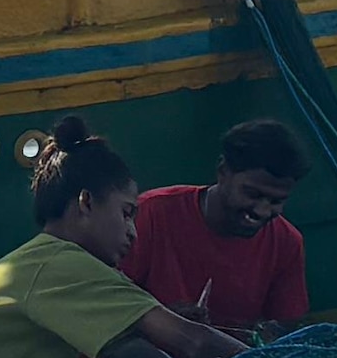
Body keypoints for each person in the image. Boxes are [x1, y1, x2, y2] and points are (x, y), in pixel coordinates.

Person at [0, 118, 244, 358]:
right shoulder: (61, 264)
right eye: (126, 213)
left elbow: (130, 351)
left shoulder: (40, 259)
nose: (133, 232)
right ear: (86, 202)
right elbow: (194, 340)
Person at [126, 120, 310, 338]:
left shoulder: (286, 242)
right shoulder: (151, 214)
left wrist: (257, 336)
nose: (262, 211)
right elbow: (104, 306)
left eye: (276, 201)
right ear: (223, 171)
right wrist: (163, 321)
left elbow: (286, 328)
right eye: (253, 194)